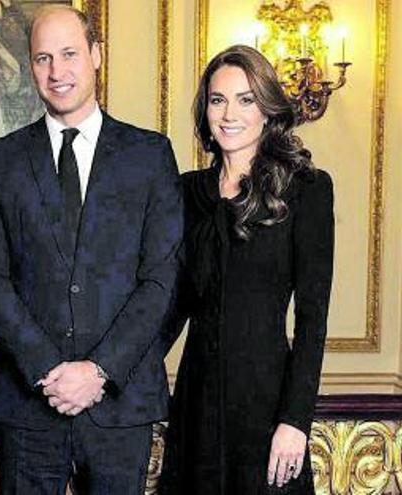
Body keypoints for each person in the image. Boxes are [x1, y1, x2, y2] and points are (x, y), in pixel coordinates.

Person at [0, 6, 183, 493]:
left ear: (96, 56)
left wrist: (100, 371)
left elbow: (161, 280)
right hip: (29, 406)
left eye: (69, 54)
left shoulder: (149, 156)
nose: (57, 71)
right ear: (31, 67)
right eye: (43, 58)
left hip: (121, 407)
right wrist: (48, 370)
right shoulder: (0, 162)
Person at [159, 45, 334, 494]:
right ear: (206, 110)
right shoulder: (185, 192)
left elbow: (313, 321)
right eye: (218, 99)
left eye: (245, 99)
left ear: (267, 109)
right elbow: (169, 309)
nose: (229, 113)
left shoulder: (306, 189)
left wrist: (295, 421)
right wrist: (108, 375)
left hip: (266, 409)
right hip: (195, 408)